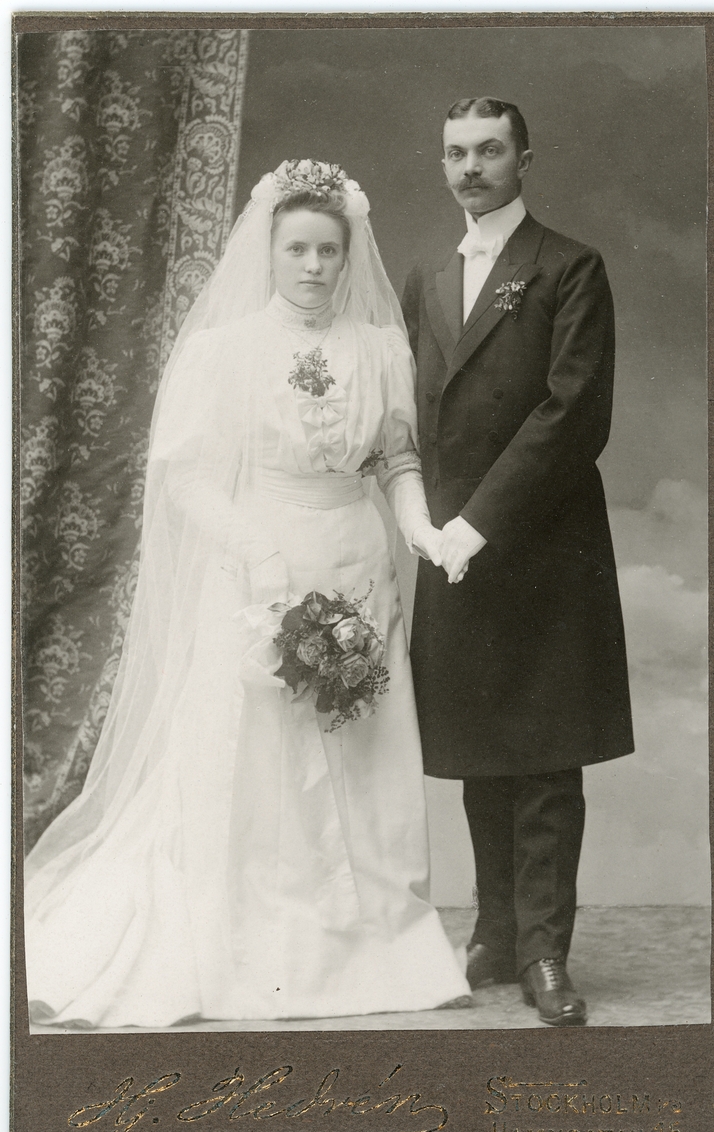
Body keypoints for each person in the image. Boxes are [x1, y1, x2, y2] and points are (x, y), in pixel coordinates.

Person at [24, 160, 471, 1028]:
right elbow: (185, 475)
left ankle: (369, 936)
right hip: (261, 562)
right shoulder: (225, 350)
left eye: (328, 250)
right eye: (296, 249)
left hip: (358, 562)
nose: (313, 265)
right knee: (262, 753)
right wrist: (257, 553)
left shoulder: (381, 348)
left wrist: (421, 529)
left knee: (362, 743)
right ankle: (264, 939)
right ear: (267, 252)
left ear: (349, 256)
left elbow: (396, 459)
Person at [402, 98, 634, 1027]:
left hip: (542, 546)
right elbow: (418, 407)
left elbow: (573, 413)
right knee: (481, 753)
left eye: (489, 151)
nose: (470, 168)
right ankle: (495, 930)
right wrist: (429, 522)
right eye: (456, 152)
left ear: (524, 159)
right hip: (455, 551)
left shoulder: (570, 267)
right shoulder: (427, 275)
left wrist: (481, 522)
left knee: (544, 760)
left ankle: (544, 952)